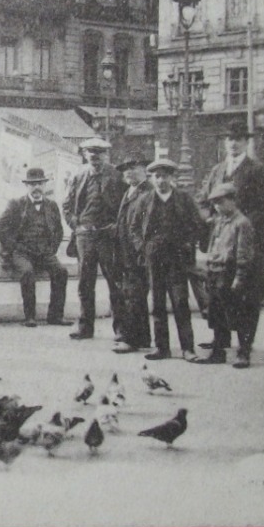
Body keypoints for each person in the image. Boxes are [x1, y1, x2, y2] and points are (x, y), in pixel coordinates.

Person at [196, 119, 264, 311]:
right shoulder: (217, 170)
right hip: (220, 238)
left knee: (246, 289)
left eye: (238, 139)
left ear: (246, 143)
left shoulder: (256, 170)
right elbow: (203, 199)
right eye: (229, 139)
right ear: (225, 142)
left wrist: (242, 222)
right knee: (218, 286)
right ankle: (220, 337)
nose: (233, 143)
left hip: (244, 238)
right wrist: (208, 217)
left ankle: (245, 337)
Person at [137, 158, 207, 362]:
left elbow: (198, 225)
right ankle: (162, 348)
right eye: (157, 176)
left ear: (171, 177)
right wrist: (143, 247)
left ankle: (187, 348)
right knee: (157, 304)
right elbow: (133, 227)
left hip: (177, 260)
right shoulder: (145, 200)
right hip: (154, 259)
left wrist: (188, 244)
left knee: (180, 303)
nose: (161, 180)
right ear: (152, 178)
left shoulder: (184, 199)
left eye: (165, 176)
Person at [63, 137, 126, 342]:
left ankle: (121, 328)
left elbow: (126, 206)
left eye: (99, 154)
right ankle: (85, 327)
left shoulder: (117, 176)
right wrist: (77, 225)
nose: (95, 157)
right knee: (85, 283)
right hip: (86, 236)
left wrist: (117, 226)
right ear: (85, 155)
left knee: (115, 282)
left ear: (105, 155)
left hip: (108, 236)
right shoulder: (79, 175)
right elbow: (67, 205)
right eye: (91, 153)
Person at [0, 166, 70, 328]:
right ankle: (30, 317)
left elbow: (58, 230)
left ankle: (55, 316)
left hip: (44, 252)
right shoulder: (16, 204)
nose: (36, 187)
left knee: (61, 272)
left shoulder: (52, 205)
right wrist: (14, 247)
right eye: (32, 184)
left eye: (40, 183)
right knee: (27, 272)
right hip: (22, 253)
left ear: (44, 185)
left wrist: (51, 249)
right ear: (26, 186)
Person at [200, 182, 262, 367]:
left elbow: (244, 254)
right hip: (215, 271)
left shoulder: (241, 223)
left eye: (221, 201)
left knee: (239, 315)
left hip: (230, 272)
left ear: (233, 201)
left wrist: (239, 277)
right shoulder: (218, 221)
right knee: (217, 314)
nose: (218, 206)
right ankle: (218, 351)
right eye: (215, 203)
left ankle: (243, 352)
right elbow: (211, 246)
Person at [111, 157, 154, 354]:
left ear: (145, 170)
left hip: (137, 253)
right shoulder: (129, 191)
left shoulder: (148, 192)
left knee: (134, 295)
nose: (129, 172)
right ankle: (143, 338)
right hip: (124, 251)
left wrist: (142, 250)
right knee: (132, 294)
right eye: (125, 169)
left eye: (134, 168)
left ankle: (131, 339)